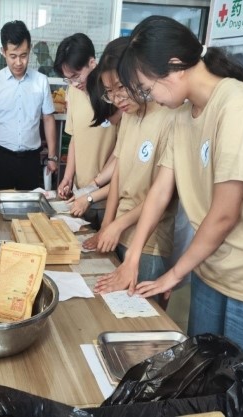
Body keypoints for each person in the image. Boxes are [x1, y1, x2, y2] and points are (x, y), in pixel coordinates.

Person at [104, 16, 243, 416]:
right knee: (207, 387)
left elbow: (225, 213)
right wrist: (131, 258)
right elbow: (161, 191)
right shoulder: (182, 115)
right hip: (211, 269)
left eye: (147, 88)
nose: (150, 98)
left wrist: (173, 274)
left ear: (176, 66)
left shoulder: (237, 106)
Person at [80, 37, 177, 306]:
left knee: (140, 320)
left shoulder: (170, 117)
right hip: (119, 235)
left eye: (121, 88)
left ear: (139, 76)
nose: (116, 99)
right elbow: (119, 174)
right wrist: (107, 226)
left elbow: (163, 194)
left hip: (150, 244)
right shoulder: (130, 116)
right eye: (109, 92)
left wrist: (117, 225)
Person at [0, 20, 57, 190]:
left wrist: (52, 156)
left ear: (30, 49)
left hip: (31, 160)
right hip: (1, 158)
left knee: (30, 205)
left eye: (23, 55)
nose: (19, 62)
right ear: (3, 52)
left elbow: (49, 119)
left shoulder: (41, 81)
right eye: (13, 56)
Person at [53, 33, 118, 229]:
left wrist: (93, 188)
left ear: (92, 62)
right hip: (81, 193)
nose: (74, 83)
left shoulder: (114, 95)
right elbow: (75, 137)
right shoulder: (74, 92)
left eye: (76, 76)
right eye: (68, 79)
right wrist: (68, 177)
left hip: (108, 195)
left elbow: (121, 152)